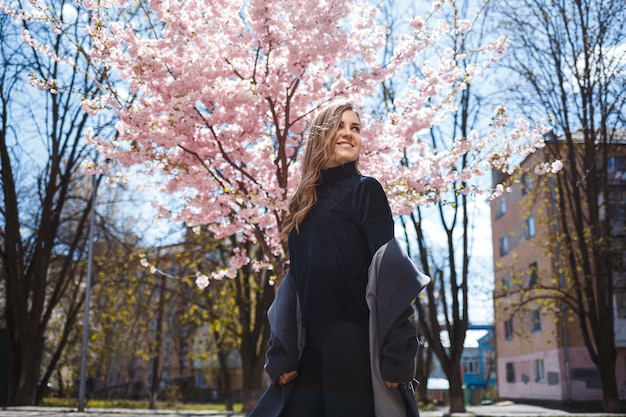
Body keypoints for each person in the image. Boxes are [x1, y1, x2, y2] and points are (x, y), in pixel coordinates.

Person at [249, 101, 429, 417]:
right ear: (321, 135)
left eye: (355, 128)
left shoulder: (366, 190)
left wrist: (398, 354)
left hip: (353, 340)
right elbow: (295, 285)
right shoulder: (303, 205)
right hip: (309, 346)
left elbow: (389, 272)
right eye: (340, 126)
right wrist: (281, 353)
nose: (349, 134)